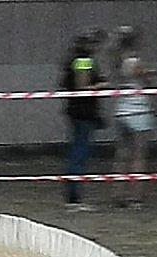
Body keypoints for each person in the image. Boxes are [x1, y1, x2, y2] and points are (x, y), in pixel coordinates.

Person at [61, 31, 107, 211]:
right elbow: (83, 87)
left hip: (77, 112)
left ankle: (73, 196)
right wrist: (101, 85)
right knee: (79, 155)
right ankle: (74, 198)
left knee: (77, 153)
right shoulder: (83, 61)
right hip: (83, 113)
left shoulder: (73, 60)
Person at [112, 26, 156, 209]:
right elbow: (148, 79)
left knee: (122, 154)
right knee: (139, 155)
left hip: (122, 110)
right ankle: (134, 197)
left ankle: (118, 193)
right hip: (138, 112)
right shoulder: (134, 62)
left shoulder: (116, 60)